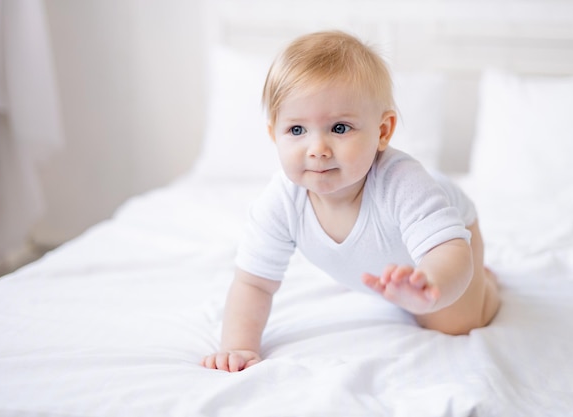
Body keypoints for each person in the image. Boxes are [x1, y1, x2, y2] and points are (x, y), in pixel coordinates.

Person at [201, 30, 500, 372]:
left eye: (340, 128)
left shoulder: (402, 184)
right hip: (396, 254)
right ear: (274, 134)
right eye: (297, 130)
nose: (317, 149)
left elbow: (447, 252)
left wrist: (431, 283)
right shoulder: (281, 201)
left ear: (383, 131)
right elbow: (253, 282)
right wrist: (239, 346)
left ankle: (487, 284)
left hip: (448, 229)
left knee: (454, 324)